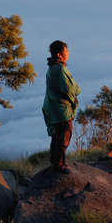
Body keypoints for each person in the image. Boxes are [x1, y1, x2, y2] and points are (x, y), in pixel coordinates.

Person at [42, 40, 80, 173]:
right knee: (64, 135)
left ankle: (55, 162)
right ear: (59, 54)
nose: (68, 53)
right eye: (66, 50)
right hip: (61, 110)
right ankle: (59, 165)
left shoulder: (53, 68)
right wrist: (76, 92)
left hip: (55, 109)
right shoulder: (59, 69)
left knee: (57, 136)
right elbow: (69, 88)